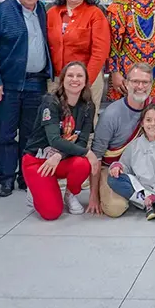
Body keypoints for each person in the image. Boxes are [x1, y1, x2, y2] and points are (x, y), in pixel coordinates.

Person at [87, 63, 155, 217]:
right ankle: (151, 199)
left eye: (145, 82)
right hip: (117, 168)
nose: (140, 86)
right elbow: (96, 156)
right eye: (135, 81)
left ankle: (148, 198)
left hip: (149, 166)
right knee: (115, 208)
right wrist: (93, 197)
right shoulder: (111, 114)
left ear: (151, 84)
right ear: (126, 83)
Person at [0, 0, 52, 197]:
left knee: (31, 134)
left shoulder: (43, 10)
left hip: (36, 83)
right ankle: (6, 178)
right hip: (8, 84)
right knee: (5, 134)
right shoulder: (3, 11)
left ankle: (25, 176)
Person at [21, 61, 99, 220]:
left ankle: (70, 194)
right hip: (38, 160)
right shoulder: (50, 102)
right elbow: (54, 140)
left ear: (85, 81)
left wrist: (59, 155)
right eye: (70, 75)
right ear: (62, 80)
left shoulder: (88, 106)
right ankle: (35, 190)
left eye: (79, 76)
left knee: (83, 163)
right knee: (52, 213)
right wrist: (87, 152)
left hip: (61, 160)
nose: (75, 79)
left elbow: (82, 141)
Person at [47, 0, 110, 118]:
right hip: (57, 80)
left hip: (88, 78)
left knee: (84, 122)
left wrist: (85, 81)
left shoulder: (95, 13)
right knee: (56, 120)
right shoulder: (51, 13)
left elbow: (100, 51)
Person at [106, 104, 155, 221]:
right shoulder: (135, 144)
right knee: (113, 179)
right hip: (141, 189)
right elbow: (125, 165)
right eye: (148, 120)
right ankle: (146, 203)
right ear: (142, 123)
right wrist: (117, 166)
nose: (152, 124)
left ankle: (151, 204)